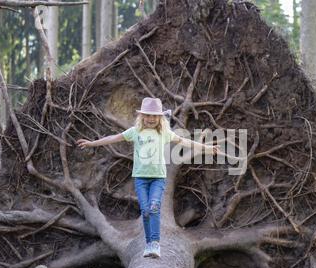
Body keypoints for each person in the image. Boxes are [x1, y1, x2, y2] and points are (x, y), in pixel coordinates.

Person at [77, 97, 219, 258]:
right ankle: (149, 243)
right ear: (142, 116)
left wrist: (206, 148)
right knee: (145, 211)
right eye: (148, 115)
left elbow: (185, 141)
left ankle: (154, 244)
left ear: (159, 118)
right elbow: (113, 138)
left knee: (154, 208)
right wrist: (91, 143)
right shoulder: (135, 132)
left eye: (154, 116)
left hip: (158, 179)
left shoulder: (165, 133)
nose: (151, 119)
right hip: (141, 179)